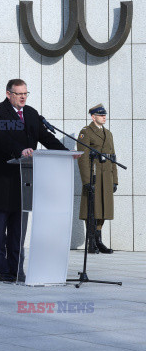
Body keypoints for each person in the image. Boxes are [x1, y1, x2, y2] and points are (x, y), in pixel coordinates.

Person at [0, 79, 69, 282]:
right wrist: (19, 150)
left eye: (25, 93)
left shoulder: (30, 113)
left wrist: (65, 153)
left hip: (24, 179)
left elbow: (45, 137)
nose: (23, 97)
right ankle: (3, 270)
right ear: (8, 94)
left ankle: (17, 269)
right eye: (19, 93)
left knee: (18, 231)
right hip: (1, 179)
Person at [77, 104, 118, 254]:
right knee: (92, 209)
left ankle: (99, 240)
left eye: (105, 115)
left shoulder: (108, 133)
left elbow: (113, 157)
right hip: (94, 176)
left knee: (104, 208)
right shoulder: (86, 132)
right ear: (93, 117)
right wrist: (87, 181)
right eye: (101, 115)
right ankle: (91, 242)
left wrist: (115, 179)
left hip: (106, 176)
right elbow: (82, 159)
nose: (104, 117)